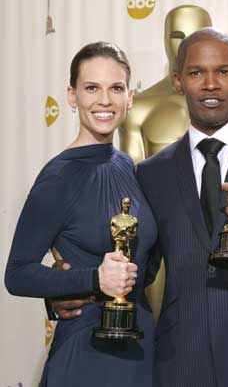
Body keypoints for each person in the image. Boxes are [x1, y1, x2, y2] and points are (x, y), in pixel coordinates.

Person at [49, 28, 228, 386]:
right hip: (181, 363)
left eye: (223, 71)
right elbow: (134, 268)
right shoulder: (150, 173)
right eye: (195, 73)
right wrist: (72, 288)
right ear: (177, 81)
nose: (210, 84)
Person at [5, 42, 157, 387]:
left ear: (129, 97)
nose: (105, 100)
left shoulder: (128, 167)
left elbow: (143, 266)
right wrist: (91, 280)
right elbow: (17, 274)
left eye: (115, 88)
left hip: (142, 352)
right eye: (92, 88)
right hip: (87, 358)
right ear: (72, 96)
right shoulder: (58, 177)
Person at [119, 4, 228, 320]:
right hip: (160, 234)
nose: (183, 44)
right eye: (176, 35)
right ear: (165, 39)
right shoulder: (139, 108)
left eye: (192, 35)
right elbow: (132, 188)